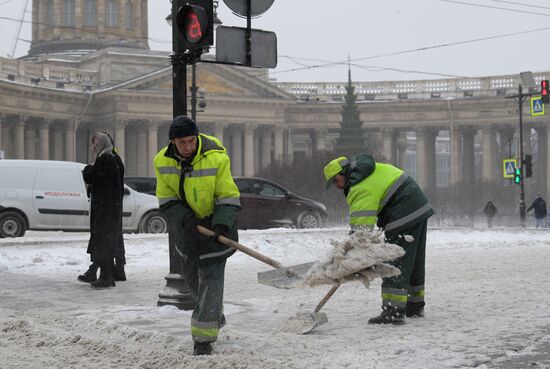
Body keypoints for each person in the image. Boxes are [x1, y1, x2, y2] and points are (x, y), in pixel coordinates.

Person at [154, 115, 240, 355]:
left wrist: (221, 223)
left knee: (211, 281)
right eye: (183, 143)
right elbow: (167, 199)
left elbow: (228, 196)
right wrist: (186, 219)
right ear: (172, 142)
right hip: (188, 231)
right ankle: (213, 314)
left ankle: (203, 340)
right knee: (191, 280)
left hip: (216, 230)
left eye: (192, 141)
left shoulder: (216, 157)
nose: (189, 147)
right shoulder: (162, 161)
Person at [324, 154, 434, 325]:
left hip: (403, 211)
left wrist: (348, 253)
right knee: (413, 260)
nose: (337, 187)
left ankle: (393, 311)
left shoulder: (359, 186)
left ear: (342, 174)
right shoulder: (367, 172)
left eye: (335, 181)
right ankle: (415, 305)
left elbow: (361, 231)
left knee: (393, 260)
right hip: (418, 207)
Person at [77, 131, 125, 288]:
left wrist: (87, 169)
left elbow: (90, 176)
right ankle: (106, 275)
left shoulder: (106, 160)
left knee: (104, 242)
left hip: (105, 210)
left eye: (95, 144)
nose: (92, 147)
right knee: (104, 241)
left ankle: (106, 277)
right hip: (107, 209)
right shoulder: (108, 159)